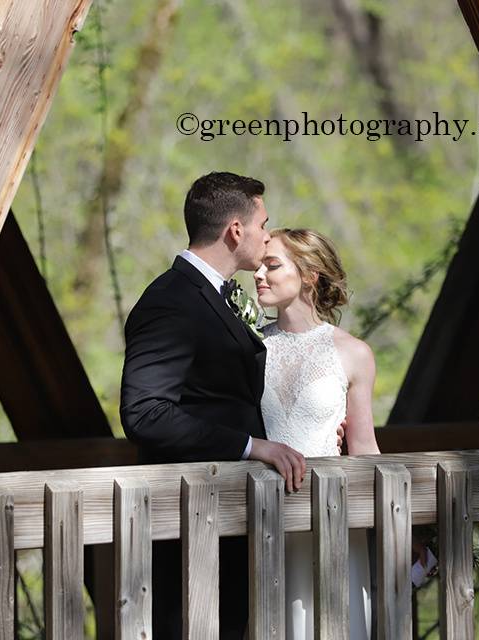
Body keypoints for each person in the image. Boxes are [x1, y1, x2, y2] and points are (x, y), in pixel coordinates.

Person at [120, 172, 309, 639]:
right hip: (189, 527)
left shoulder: (217, 297)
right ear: (236, 230)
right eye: (263, 223)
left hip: (229, 520)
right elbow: (144, 412)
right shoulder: (172, 300)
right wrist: (250, 446)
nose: (268, 235)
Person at [254, 227, 381, 640]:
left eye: (272, 265)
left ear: (309, 275)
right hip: (264, 517)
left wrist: (409, 525)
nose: (258, 273)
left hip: (333, 517)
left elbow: (363, 447)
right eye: (259, 264)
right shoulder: (247, 349)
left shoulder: (353, 353)